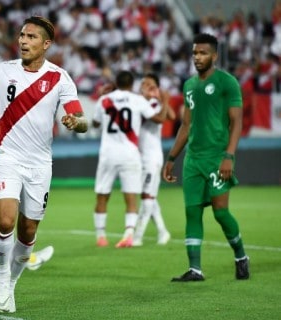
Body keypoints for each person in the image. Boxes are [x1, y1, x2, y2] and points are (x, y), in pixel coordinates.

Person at [0, 16, 88, 313]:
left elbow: (82, 120)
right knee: (6, 220)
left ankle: (12, 284)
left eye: (31, 37)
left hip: (39, 164)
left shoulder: (60, 78)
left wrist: (76, 122)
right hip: (7, 156)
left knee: (27, 231)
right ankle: (1, 276)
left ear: (46, 44)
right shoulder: (2, 71)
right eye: (22, 35)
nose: (23, 40)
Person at [162, 33, 249, 282]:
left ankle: (241, 256)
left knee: (221, 213)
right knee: (192, 213)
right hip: (193, 160)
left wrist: (228, 156)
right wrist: (171, 158)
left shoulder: (227, 82)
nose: (197, 57)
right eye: (194, 53)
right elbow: (186, 125)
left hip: (217, 157)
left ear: (214, 55)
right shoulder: (189, 85)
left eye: (202, 53)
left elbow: (237, 122)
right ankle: (195, 269)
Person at [92, 70, 167, 248]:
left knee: (102, 195)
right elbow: (157, 119)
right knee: (131, 197)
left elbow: (94, 124)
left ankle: (101, 235)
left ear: (116, 83)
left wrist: (104, 98)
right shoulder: (138, 100)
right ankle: (129, 233)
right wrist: (166, 101)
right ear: (132, 85)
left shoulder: (104, 100)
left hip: (107, 154)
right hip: (130, 154)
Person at [132, 73, 176, 247]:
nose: (144, 86)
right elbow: (166, 116)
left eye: (149, 84)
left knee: (147, 196)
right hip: (141, 157)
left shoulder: (152, 103)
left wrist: (162, 99)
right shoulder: (143, 103)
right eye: (143, 83)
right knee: (148, 196)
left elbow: (169, 117)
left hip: (151, 157)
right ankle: (163, 231)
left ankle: (138, 236)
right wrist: (163, 99)